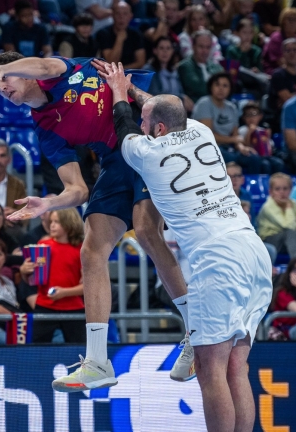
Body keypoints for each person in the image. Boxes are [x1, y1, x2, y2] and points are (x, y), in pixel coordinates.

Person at [0, 52, 192, 390]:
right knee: (91, 251)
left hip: (146, 137)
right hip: (116, 159)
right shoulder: (45, 127)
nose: (3, 86)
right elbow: (77, 190)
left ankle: (196, 331)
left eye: (7, 78)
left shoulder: (56, 71)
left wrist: (2, 67)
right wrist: (48, 203)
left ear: (23, 71)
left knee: (147, 231)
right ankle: (97, 362)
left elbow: (47, 66)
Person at [101, 61, 272, 432]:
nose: (143, 127)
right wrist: (135, 91)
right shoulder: (201, 131)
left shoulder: (146, 153)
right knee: (236, 368)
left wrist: (118, 91)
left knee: (211, 372)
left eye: (148, 124)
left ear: (158, 129)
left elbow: (124, 125)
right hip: (253, 250)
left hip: (219, 261)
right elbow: (161, 108)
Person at [194, 72, 283, 174]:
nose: (221, 89)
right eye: (217, 84)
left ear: (230, 89)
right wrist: (232, 139)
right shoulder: (204, 103)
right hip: (208, 148)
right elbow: (207, 135)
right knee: (233, 158)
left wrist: (242, 148)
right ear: (211, 87)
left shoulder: (231, 107)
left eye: (225, 85)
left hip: (228, 147)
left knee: (254, 158)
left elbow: (236, 136)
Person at [26, 208, 86, 344]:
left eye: (56, 222)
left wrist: (65, 292)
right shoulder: (42, 246)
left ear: (69, 224)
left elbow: (88, 286)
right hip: (44, 305)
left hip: (73, 308)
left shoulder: (81, 250)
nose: (51, 225)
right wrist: (25, 270)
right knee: (37, 350)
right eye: (51, 221)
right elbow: (32, 279)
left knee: (78, 350)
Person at [267, 37, 296, 131]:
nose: (292, 53)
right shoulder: (278, 75)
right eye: (288, 50)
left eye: (295, 50)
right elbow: (288, 100)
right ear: (283, 54)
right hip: (283, 116)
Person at [144, 37, 191, 111]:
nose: (165, 51)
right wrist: (181, 98)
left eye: (168, 48)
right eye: (161, 48)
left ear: (172, 51)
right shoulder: (148, 70)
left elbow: (180, 91)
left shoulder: (174, 70)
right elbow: (154, 95)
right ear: (155, 51)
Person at [177, 30, 224, 102]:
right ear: (193, 46)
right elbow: (198, 88)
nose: (204, 51)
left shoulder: (216, 67)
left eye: (208, 47)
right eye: (201, 47)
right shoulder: (185, 66)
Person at [96, 2, 145, 69]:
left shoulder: (136, 34)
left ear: (130, 16)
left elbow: (140, 62)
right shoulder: (103, 34)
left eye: (125, 14)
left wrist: (121, 72)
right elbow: (110, 62)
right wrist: (119, 40)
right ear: (112, 16)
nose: (121, 17)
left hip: (129, 73)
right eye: (117, 14)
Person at [262, 8, 296, 75]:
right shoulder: (276, 38)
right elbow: (280, 62)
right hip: (276, 72)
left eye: (295, 20)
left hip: (295, 70)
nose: (292, 23)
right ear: (283, 22)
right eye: (290, 19)